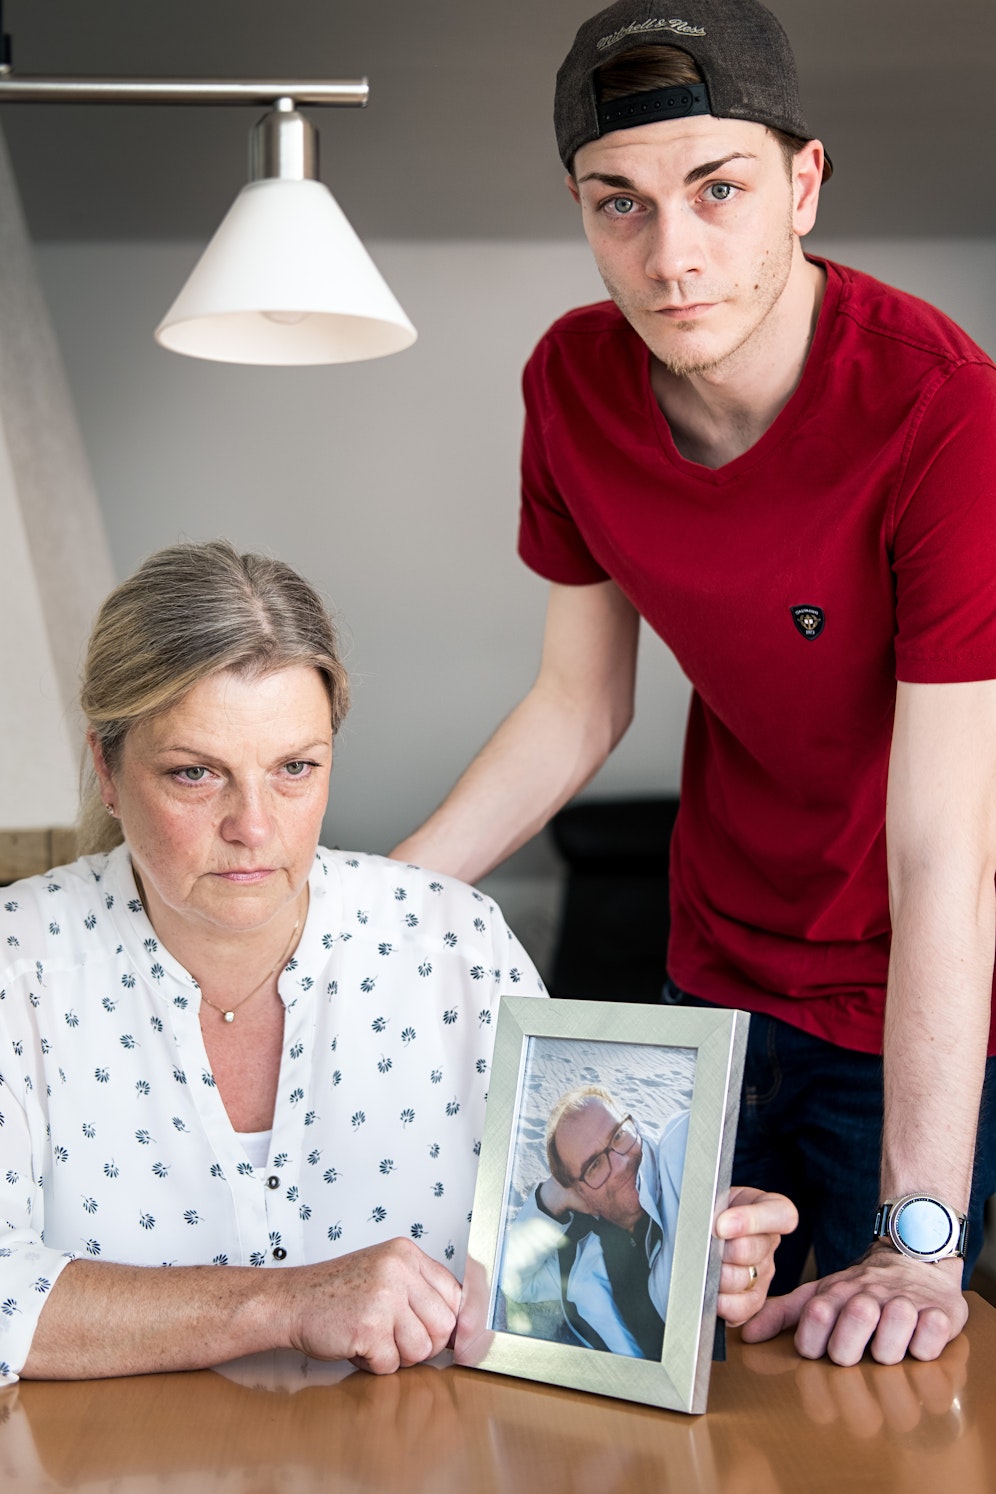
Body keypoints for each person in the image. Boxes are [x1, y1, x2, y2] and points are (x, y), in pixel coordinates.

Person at [390, 0, 996, 1368]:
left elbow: (948, 850)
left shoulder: (941, 409)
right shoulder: (572, 383)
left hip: (911, 1003)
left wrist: (923, 1233)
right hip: (709, 976)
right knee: (629, 1360)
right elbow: (579, 705)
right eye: (622, 204)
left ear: (804, 183)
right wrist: (372, 905)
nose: (672, 257)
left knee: (861, 1373)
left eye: (718, 191)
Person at [0, 539, 794, 1384]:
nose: (255, 827)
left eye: (295, 769)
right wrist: (285, 1301)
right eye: (196, 774)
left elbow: (548, 1275)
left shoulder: (457, 945)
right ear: (108, 771)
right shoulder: (20, 966)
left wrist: (698, 1263)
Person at [501, 1086, 688, 1358]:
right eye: (594, 1165)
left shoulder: (677, 1158)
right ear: (578, 1191)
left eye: (619, 1136)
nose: (621, 1163)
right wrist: (549, 1197)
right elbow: (512, 1278)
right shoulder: (574, 1259)